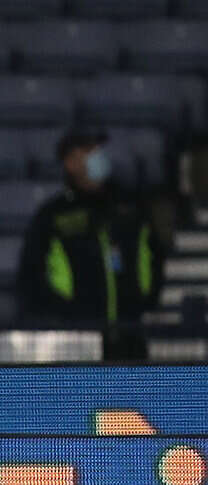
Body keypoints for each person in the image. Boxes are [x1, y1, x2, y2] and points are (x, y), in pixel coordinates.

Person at [18, 130, 163, 357]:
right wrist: (65, 313)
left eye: (98, 149)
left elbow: (153, 256)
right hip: (79, 339)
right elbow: (33, 274)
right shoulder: (54, 216)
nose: (97, 156)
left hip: (131, 333)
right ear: (70, 162)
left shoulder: (130, 207)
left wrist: (144, 301)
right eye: (88, 151)